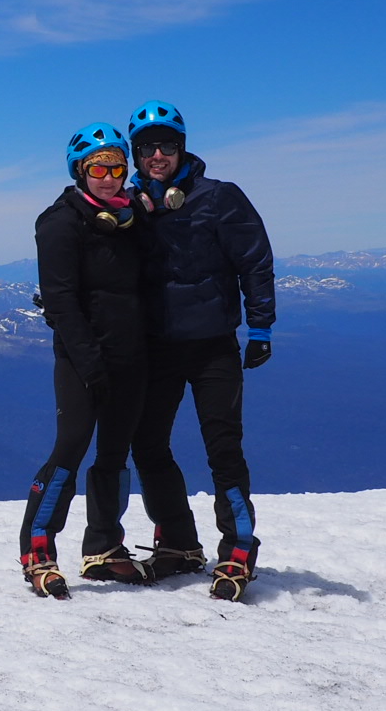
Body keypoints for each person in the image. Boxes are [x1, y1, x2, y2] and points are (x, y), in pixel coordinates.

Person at [20, 122, 198, 598]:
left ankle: (105, 549)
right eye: (98, 167)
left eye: (117, 166)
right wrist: (90, 362)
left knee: (115, 454)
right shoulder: (59, 222)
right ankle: (37, 551)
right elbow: (60, 302)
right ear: (80, 171)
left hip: (133, 355)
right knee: (70, 449)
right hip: (84, 359)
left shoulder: (128, 219)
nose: (109, 175)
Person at [125, 100, 275, 602]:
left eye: (167, 145)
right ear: (136, 154)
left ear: (182, 148)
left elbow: (255, 261)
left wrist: (261, 328)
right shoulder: (129, 208)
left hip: (213, 347)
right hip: (157, 349)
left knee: (223, 450)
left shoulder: (220, 198)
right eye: (147, 148)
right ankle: (180, 543)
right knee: (147, 445)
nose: (158, 155)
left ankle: (238, 548)